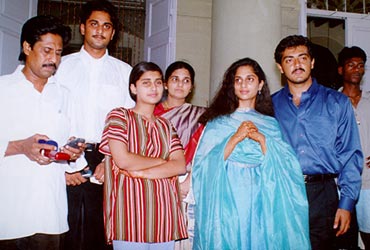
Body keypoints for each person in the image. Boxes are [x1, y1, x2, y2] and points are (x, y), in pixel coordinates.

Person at [192, 57, 310, 249]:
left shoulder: (270, 124)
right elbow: (203, 166)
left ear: (260, 84)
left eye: (250, 79)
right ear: (232, 85)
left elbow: (287, 166)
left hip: (261, 198)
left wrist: (263, 140)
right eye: (238, 80)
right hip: (227, 198)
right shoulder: (218, 122)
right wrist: (234, 138)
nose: (244, 85)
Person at [0, 15, 85, 250]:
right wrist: (20, 147)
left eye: (58, 53)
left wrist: (73, 152)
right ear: (27, 47)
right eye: (47, 50)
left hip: (50, 213)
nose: (53, 59)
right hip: (7, 214)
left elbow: (73, 145)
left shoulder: (64, 95)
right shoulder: (3, 89)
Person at [55, 1, 135, 250]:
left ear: (113, 33)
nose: (100, 30)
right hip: (65, 154)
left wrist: (110, 160)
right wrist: (62, 166)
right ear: (82, 28)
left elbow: (129, 123)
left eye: (106, 26)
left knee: (100, 235)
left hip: (106, 158)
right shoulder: (60, 67)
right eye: (94, 24)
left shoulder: (124, 72)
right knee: (63, 232)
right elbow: (50, 115)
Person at [272, 35, 363, 250]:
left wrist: (346, 204)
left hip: (324, 194)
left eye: (302, 58)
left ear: (312, 62)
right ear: (280, 67)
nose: (297, 64)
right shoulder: (270, 105)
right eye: (289, 59)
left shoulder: (337, 102)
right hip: (284, 192)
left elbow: (350, 155)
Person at [98, 61, 188, 249]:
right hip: (130, 212)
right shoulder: (119, 116)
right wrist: (163, 162)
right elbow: (123, 160)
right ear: (133, 88)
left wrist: (143, 172)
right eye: (146, 83)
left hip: (164, 213)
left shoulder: (166, 125)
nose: (153, 88)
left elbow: (180, 165)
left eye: (157, 82)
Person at [153, 61, 205, 249]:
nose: (180, 84)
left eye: (186, 80)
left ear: (191, 86)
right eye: (175, 79)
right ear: (166, 83)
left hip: (186, 184)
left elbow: (203, 153)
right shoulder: (150, 112)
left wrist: (188, 181)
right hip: (152, 183)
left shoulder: (200, 117)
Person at [338, 46, 370, 249]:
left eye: (361, 65)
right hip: (341, 186)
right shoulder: (332, 102)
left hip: (368, 183)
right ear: (341, 70)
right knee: (344, 239)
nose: (357, 69)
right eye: (351, 65)